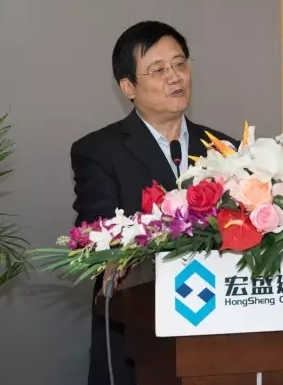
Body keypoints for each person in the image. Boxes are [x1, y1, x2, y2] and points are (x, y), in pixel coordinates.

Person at [70, 20, 239, 385]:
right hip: (137, 335)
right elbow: (97, 231)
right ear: (128, 87)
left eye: (180, 64)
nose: (175, 77)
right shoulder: (98, 151)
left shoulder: (226, 149)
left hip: (218, 335)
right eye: (159, 70)